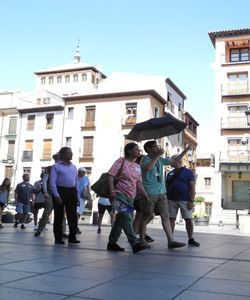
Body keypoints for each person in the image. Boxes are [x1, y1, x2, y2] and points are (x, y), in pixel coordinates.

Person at [139, 140, 190, 249]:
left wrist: (185, 151)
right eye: (155, 147)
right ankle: (142, 240)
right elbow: (148, 168)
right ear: (148, 149)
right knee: (146, 216)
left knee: (165, 216)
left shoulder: (161, 159)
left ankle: (171, 241)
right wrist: (157, 156)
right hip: (149, 192)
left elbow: (175, 161)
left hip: (161, 193)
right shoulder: (145, 159)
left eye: (157, 146)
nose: (158, 148)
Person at [107, 142, 149, 254]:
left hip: (131, 196)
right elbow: (110, 175)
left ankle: (112, 243)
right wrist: (112, 191)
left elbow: (138, 182)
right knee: (126, 217)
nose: (139, 151)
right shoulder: (120, 161)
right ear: (129, 151)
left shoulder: (137, 166)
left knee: (121, 220)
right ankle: (134, 243)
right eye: (136, 149)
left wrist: (145, 194)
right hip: (119, 194)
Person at [167, 155, 200, 247]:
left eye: (172, 160)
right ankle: (171, 240)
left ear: (178, 161)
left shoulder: (188, 172)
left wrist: (191, 200)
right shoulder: (170, 173)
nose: (170, 162)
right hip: (171, 200)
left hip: (185, 200)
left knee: (188, 219)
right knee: (171, 219)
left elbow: (192, 186)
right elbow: (167, 186)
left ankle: (191, 239)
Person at [50, 147, 80, 244]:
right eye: (68, 153)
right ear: (62, 155)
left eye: (71, 152)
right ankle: (58, 237)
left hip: (72, 192)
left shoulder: (74, 167)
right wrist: (56, 195)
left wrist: (77, 196)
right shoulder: (56, 166)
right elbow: (52, 183)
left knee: (73, 215)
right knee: (59, 215)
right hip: (60, 191)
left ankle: (72, 237)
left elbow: (76, 182)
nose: (71, 154)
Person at [34, 152, 60, 237]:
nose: (58, 159)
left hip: (60, 194)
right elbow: (44, 180)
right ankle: (39, 229)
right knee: (47, 212)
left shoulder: (64, 168)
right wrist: (45, 192)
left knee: (62, 214)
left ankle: (62, 231)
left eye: (59, 158)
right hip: (50, 193)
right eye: (56, 158)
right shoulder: (49, 168)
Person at [76, 167, 91, 234]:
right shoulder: (75, 178)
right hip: (76, 197)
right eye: (83, 172)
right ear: (79, 172)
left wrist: (89, 197)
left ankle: (75, 226)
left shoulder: (86, 178)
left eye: (85, 172)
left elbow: (88, 187)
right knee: (76, 212)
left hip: (83, 198)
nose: (84, 173)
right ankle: (75, 227)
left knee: (79, 213)